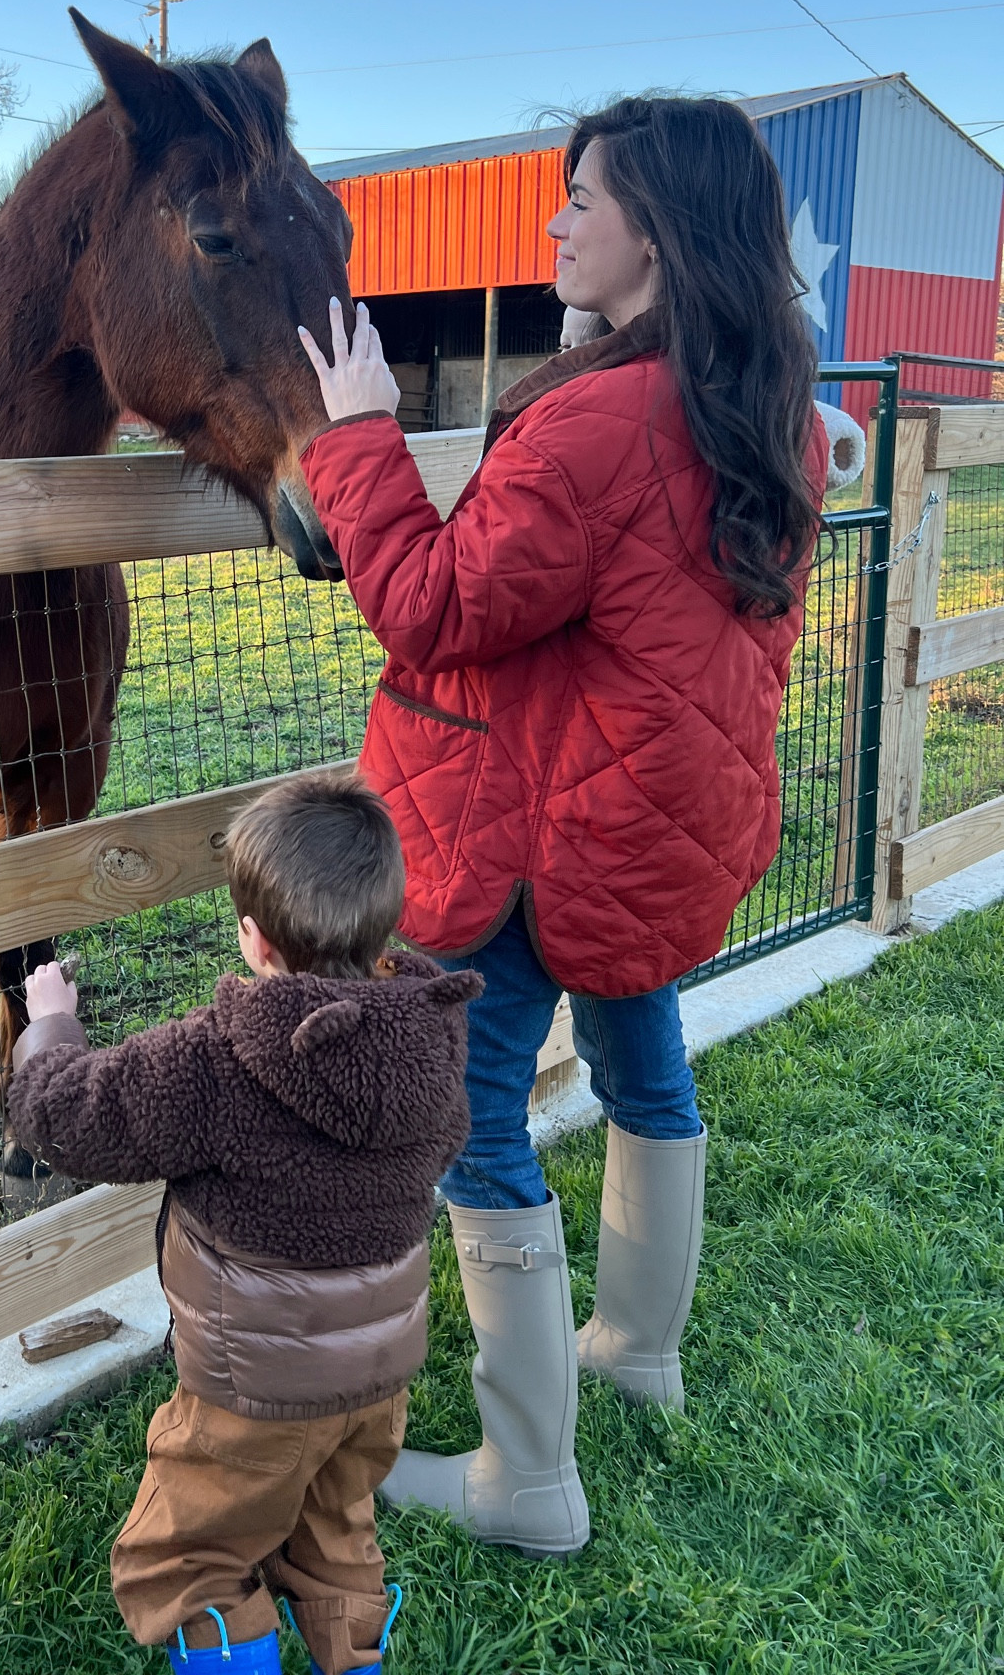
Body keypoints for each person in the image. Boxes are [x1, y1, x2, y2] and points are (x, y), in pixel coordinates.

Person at [295, 95, 827, 1558]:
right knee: (642, 1054)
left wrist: (358, 441)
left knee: (472, 1116)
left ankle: (527, 1481)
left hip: (543, 831)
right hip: (659, 814)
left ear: (655, 229)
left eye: (582, 197)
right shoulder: (764, 400)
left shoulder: (597, 419)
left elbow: (435, 607)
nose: (556, 220)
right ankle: (636, 1350)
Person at [7, 770, 480, 1675]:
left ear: (253, 940)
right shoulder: (434, 1034)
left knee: (187, 1559)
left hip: (253, 1385)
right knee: (337, 1535)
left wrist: (52, 1026)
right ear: (386, 927)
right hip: (377, 1379)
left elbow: (68, 1117)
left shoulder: (218, 1059)